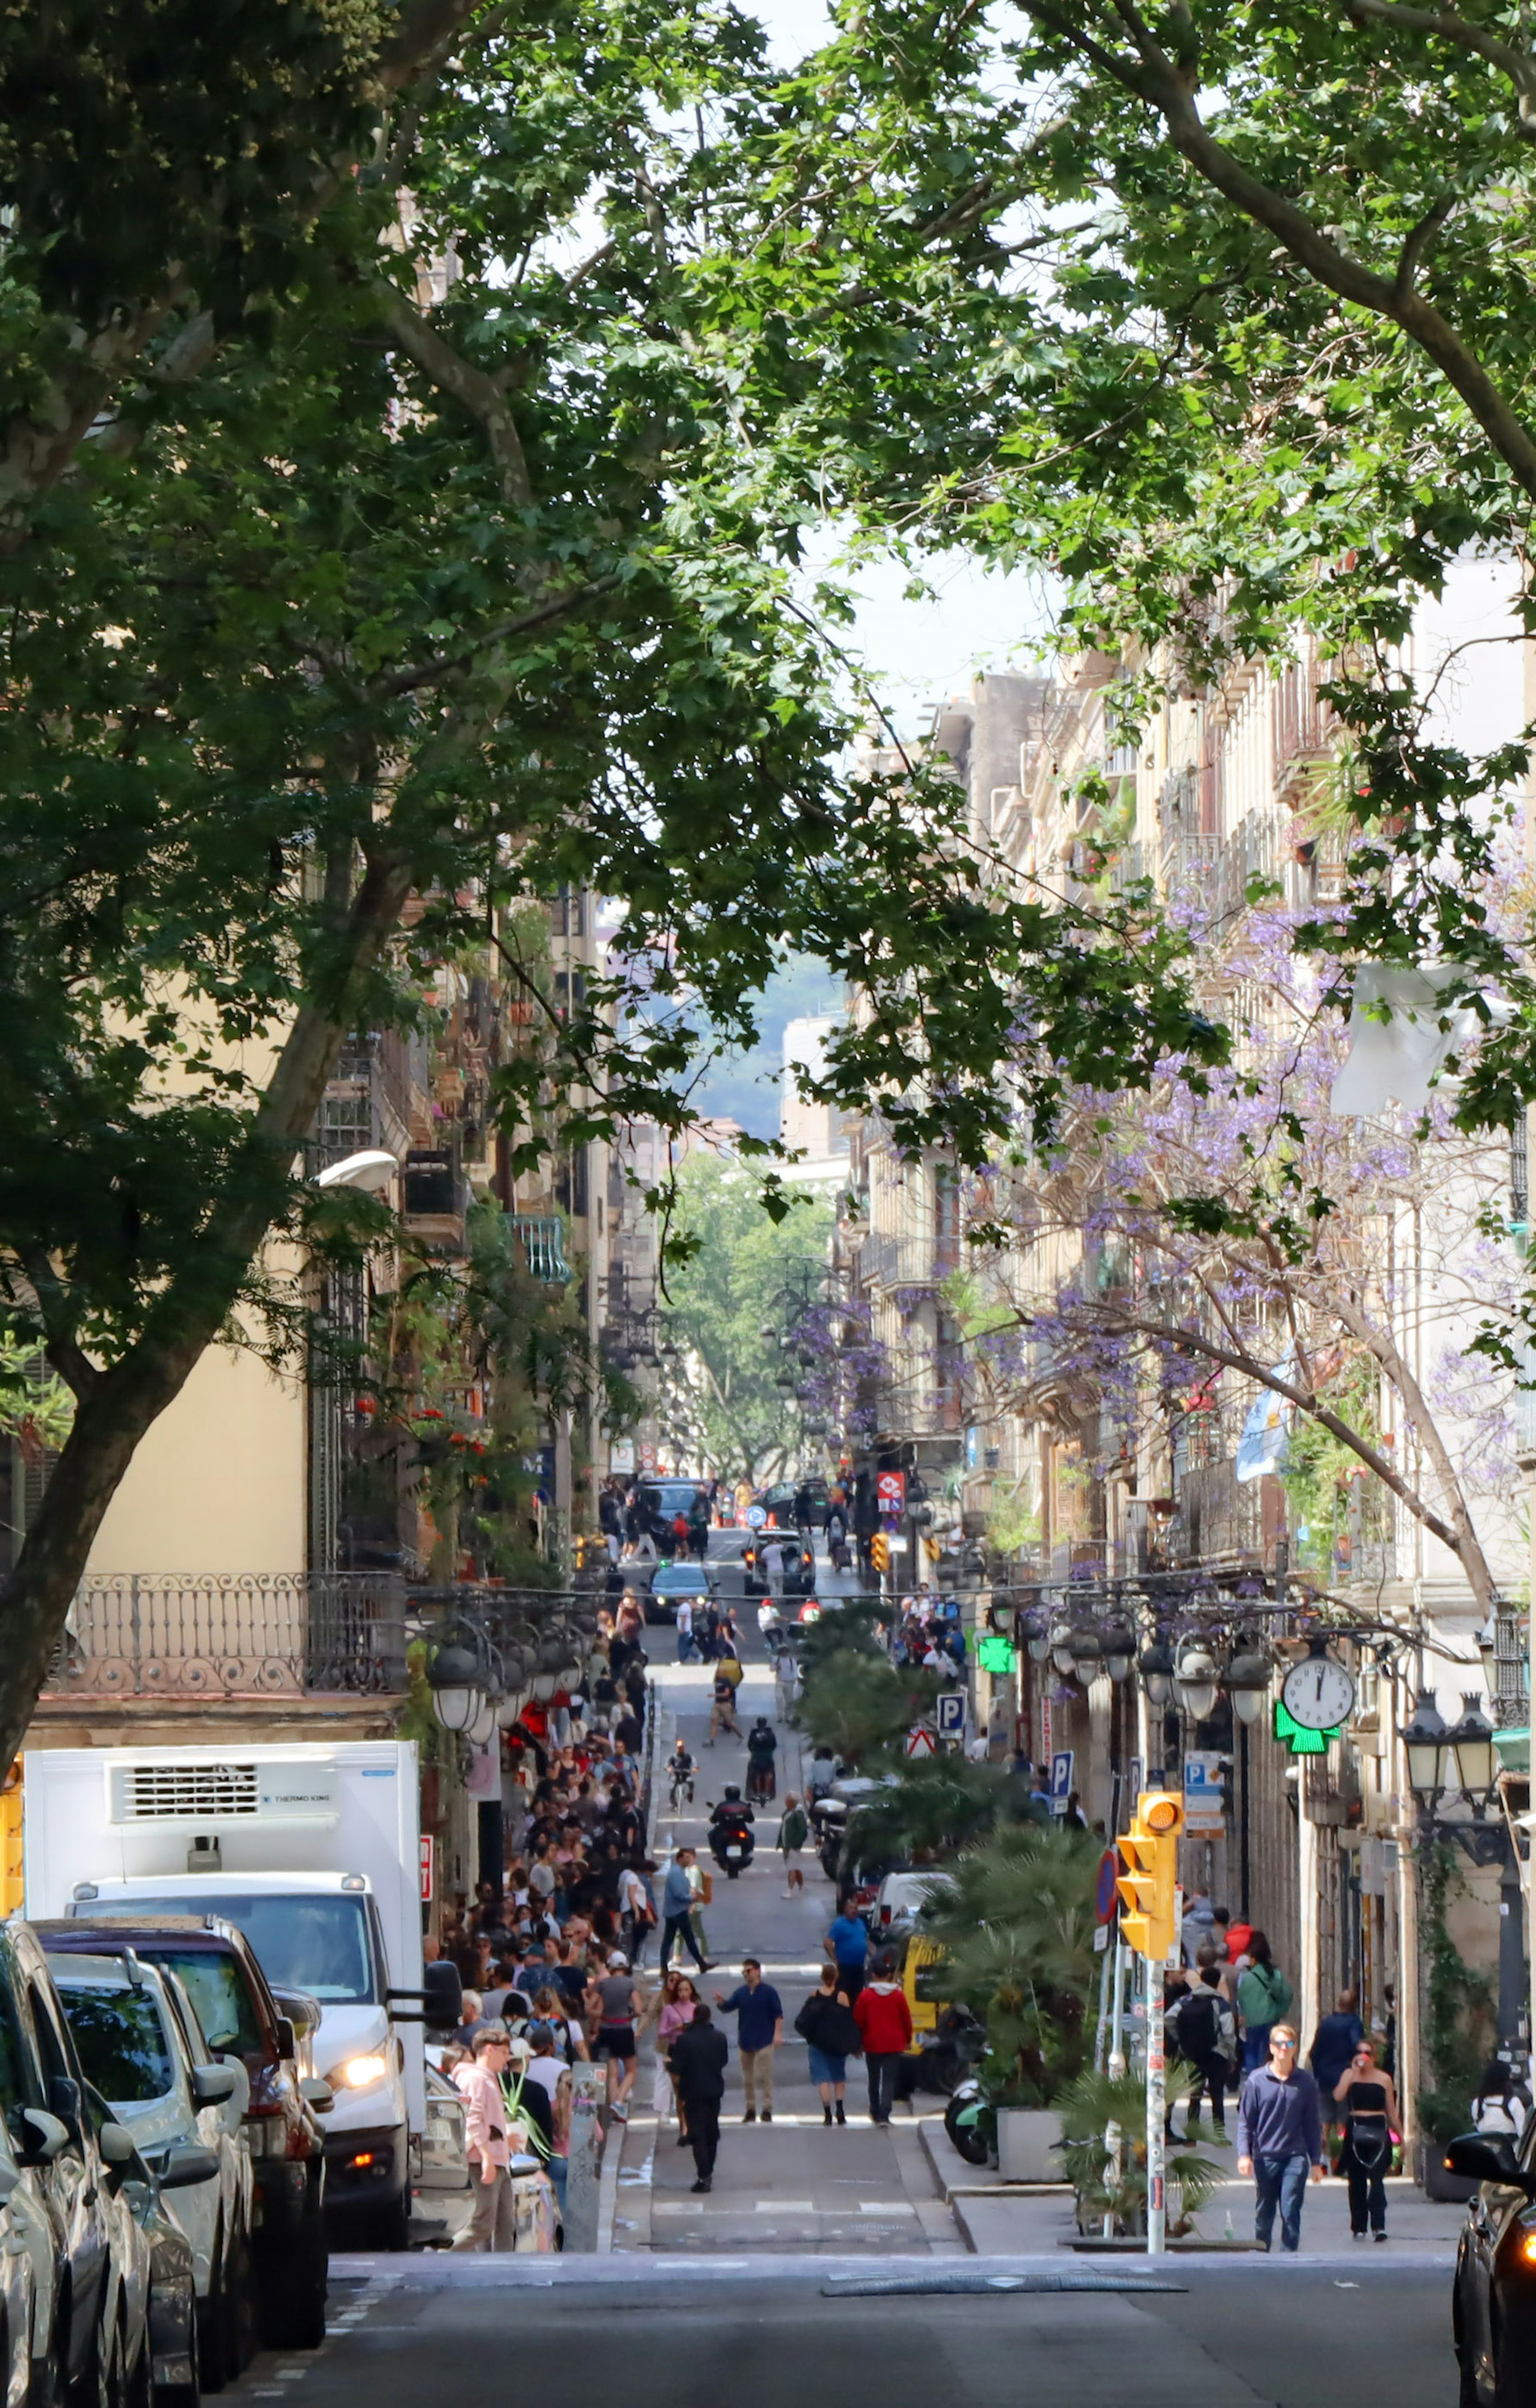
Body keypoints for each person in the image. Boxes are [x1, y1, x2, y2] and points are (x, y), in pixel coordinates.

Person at [1236, 2022, 1325, 2254]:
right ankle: (1262, 2251)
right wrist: (1244, 2155)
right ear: (1272, 2048)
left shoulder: (1305, 2083)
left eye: (1289, 2044)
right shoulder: (1257, 2081)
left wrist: (1316, 2162)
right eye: (1280, 2044)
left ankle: (1288, 2255)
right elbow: (1246, 2122)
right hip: (1265, 2157)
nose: (1284, 2049)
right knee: (1265, 2211)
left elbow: (1312, 2125)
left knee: (1291, 2208)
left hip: (1295, 2156)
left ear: (1295, 2048)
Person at [451, 2024, 521, 2251]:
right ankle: (441, 2256)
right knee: (482, 2225)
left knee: (504, 2225)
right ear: (490, 2049)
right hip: (484, 2160)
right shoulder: (476, 2079)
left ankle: (502, 2274)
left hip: (498, 2160)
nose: (508, 2058)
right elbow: (472, 2118)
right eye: (505, 2052)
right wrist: (487, 2157)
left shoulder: (487, 2078)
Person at [1332, 2037, 1400, 2242]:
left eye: (1368, 2053)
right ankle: (1359, 2226)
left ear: (1374, 2057)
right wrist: (1353, 2073)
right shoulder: (1349, 2075)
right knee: (1357, 2179)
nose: (1363, 2057)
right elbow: (1338, 2096)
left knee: (1377, 2179)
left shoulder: (1384, 2079)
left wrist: (1402, 2138)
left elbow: (1391, 2111)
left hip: (1378, 2127)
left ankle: (1379, 2225)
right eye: (1359, 2052)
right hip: (1356, 2127)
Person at [715, 1956, 784, 2122]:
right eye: (744, 1972)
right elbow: (729, 2007)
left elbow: (778, 2015)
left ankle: (767, 2108)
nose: (746, 1975)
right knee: (748, 2078)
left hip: (765, 2039)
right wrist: (721, 2002)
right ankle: (751, 2108)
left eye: (749, 1971)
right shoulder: (741, 1993)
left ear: (758, 1972)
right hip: (746, 2040)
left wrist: (777, 2034)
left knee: (764, 2076)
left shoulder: (769, 1992)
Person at [670, 2002, 730, 2193]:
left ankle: (704, 2175)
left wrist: (669, 2065)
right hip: (714, 2091)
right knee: (712, 2132)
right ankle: (709, 2169)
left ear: (695, 2017)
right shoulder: (720, 2038)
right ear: (710, 2017)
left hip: (693, 2092)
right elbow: (723, 2061)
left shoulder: (685, 2040)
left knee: (698, 2134)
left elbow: (678, 2066)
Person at [1171, 1962, 1236, 2131]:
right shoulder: (1221, 2004)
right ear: (1217, 1983)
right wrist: (1231, 2056)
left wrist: (1180, 2038)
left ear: (1202, 1980)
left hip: (1192, 2053)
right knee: (1217, 2094)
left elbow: (1168, 2017)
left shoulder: (1186, 2000)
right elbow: (1229, 2032)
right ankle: (1219, 2133)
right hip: (1216, 2054)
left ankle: (1193, 2134)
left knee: (1195, 2095)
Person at [795, 1965, 862, 2125]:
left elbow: (804, 2020)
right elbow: (849, 2021)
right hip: (837, 2044)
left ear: (822, 1978)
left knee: (822, 2079)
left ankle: (827, 2114)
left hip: (818, 2043)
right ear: (836, 1977)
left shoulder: (814, 1996)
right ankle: (840, 2110)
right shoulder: (842, 1997)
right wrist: (854, 2044)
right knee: (839, 2077)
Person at [853, 1953, 913, 2126]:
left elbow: (859, 2020)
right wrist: (908, 2039)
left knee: (874, 2079)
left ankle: (875, 2110)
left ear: (873, 1975)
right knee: (889, 2080)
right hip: (894, 2043)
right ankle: (885, 2114)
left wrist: (858, 2043)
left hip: (872, 2043)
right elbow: (906, 2020)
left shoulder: (866, 1996)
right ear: (888, 1975)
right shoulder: (898, 1996)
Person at [587, 1950, 644, 2119]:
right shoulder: (630, 1984)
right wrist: (630, 2015)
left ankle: (615, 2107)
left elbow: (589, 2008)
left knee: (612, 2073)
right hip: (624, 2029)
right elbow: (639, 2009)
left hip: (606, 2030)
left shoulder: (603, 1985)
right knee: (631, 2071)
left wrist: (603, 2016)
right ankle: (618, 2102)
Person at [1308, 1987, 1366, 2145]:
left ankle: (1323, 2150)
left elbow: (1313, 2052)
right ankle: (1338, 2152)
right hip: (1344, 2078)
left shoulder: (1326, 2023)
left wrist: (1318, 2073)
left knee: (1325, 2118)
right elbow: (1358, 2046)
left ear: (1339, 2004)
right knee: (1342, 2119)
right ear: (1355, 2005)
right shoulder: (1354, 2023)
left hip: (1325, 2077)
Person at [1236, 1931, 1294, 2071]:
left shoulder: (1247, 1978)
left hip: (1252, 2021)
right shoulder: (1276, 1975)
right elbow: (1288, 1994)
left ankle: (1253, 2078)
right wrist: (1279, 2011)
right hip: (1271, 2020)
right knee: (1268, 2051)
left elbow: (1241, 1999)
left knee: (1251, 2051)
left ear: (1254, 1959)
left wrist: (1244, 2014)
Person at [659, 1847, 711, 1974]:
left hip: (675, 1911)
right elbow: (678, 1893)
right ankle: (701, 1964)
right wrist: (691, 1898)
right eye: (686, 1857)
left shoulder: (681, 1871)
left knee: (674, 1939)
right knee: (686, 1938)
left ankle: (664, 1968)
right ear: (680, 1858)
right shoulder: (676, 1873)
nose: (688, 1860)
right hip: (678, 1911)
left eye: (690, 1857)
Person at [1471, 2056, 1533, 2139]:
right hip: (1509, 2150)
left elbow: (1477, 2128)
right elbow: (1522, 2134)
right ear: (1506, 2081)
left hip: (1484, 2150)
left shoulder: (1477, 2104)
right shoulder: (1514, 2103)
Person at [825, 1898, 870, 2000]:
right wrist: (834, 1959)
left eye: (856, 1908)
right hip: (845, 1968)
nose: (854, 1911)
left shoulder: (861, 1923)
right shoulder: (840, 1924)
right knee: (844, 1995)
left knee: (858, 1995)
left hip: (859, 1967)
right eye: (851, 1908)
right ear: (845, 1910)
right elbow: (828, 1942)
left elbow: (865, 1940)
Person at [776, 1792, 808, 1895]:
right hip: (787, 1845)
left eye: (788, 1800)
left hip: (793, 1846)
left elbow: (803, 1831)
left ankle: (789, 1890)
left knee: (791, 1868)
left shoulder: (798, 1814)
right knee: (795, 1866)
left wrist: (796, 1844)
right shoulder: (788, 1812)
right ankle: (802, 1886)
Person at [708, 1660, 743, 1744]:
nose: (719, 1672)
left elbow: (727, 1694)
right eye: (719, 1671)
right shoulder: (717, 1680)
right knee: (714, 1721)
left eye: (720, 1671)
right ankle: (712, 1740)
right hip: (717, 1704)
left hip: (725, 1704)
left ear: (724, 1673)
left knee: (730, 1722)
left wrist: (715, 1696)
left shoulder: (727, 1681)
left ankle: (740, 1735)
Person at [746, 1715, 778, 1800]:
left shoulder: (754, 1733)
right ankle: (767, 1793)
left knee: (757, 1775)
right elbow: (775, 1745)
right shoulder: (770, 1733)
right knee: (768, 1774)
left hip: (756, 1757)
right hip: (768, 1757)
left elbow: (749, 1745)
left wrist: (754, 1752)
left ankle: (759, 1792)